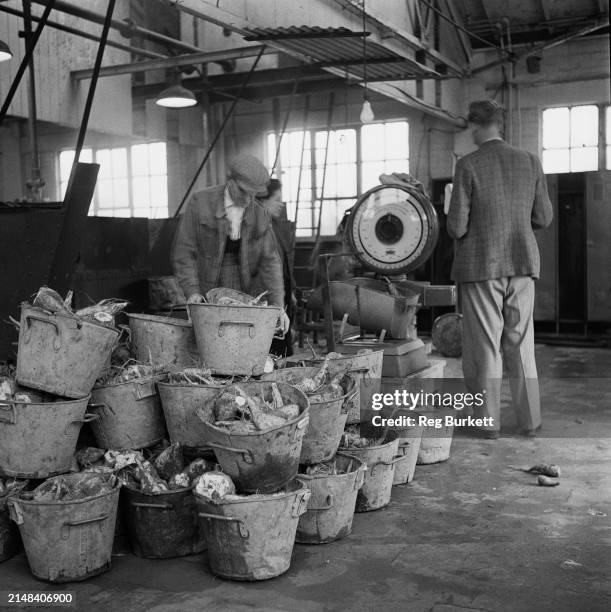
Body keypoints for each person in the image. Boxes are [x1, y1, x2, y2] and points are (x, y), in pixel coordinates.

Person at [447, 100, 553, 439]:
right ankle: (530, 421)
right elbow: (544, 217)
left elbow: (457, 226)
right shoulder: (529, 161)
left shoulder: (468, 164)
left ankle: (487, 422)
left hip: (481, 265)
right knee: (521, 345)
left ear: (477, 127)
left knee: (485, 346)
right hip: (522, 263)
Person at [172, 153, 289, 332]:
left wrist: (278, 305)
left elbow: (270, 262)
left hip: (244, 293)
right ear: (230, 181)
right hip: (205, 291)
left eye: (253, 195)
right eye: (243, 192)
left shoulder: (259, 214)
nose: (248, 200)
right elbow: (184, 252)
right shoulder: (200, 203)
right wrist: (192, 291)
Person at [261, 179, 296, 356]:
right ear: (262, 200)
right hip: (265, 305)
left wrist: (289, 293)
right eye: (276, 199)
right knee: (270, 354)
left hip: (280, 300)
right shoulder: (256, 230)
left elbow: (281, 266)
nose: (280, 204)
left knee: (282, 351)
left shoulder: (274, 227)